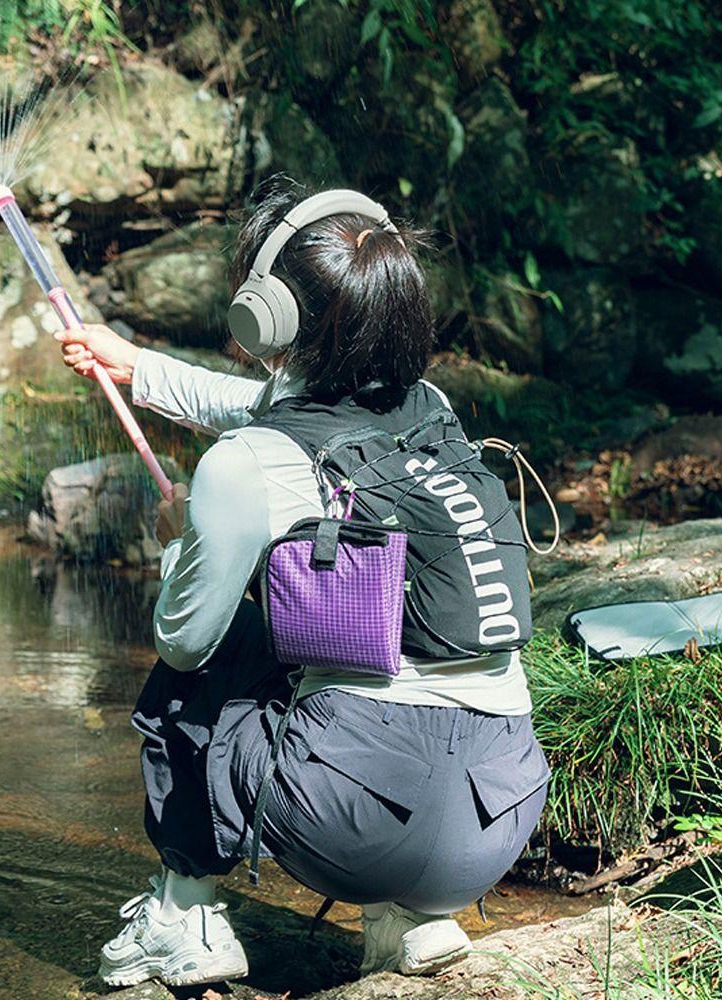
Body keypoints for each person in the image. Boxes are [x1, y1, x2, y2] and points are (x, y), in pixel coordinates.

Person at [56, 178, 551, 990]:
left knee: (219, 651)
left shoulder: (244, 468)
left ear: (266, 315)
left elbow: (182, 638)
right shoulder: (430, 411)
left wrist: (180, 541)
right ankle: (415, 921)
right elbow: (270, 414)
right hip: (495, 822)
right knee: (358, 633)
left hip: (358, 831)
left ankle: (182, 921)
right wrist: (139, 368)